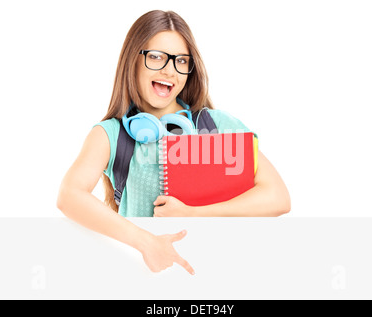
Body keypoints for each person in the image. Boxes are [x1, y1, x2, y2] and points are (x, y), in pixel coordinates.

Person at [56, 10, 291, 274]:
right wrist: (147, 243)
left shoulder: (217, 126)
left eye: (181, 61)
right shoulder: (111, 134)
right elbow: (69, 195)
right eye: (156, 57)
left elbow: (278, 197)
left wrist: (194, 214)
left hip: (218, 273)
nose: (170, 71)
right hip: (143, 277)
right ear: (133, 60)